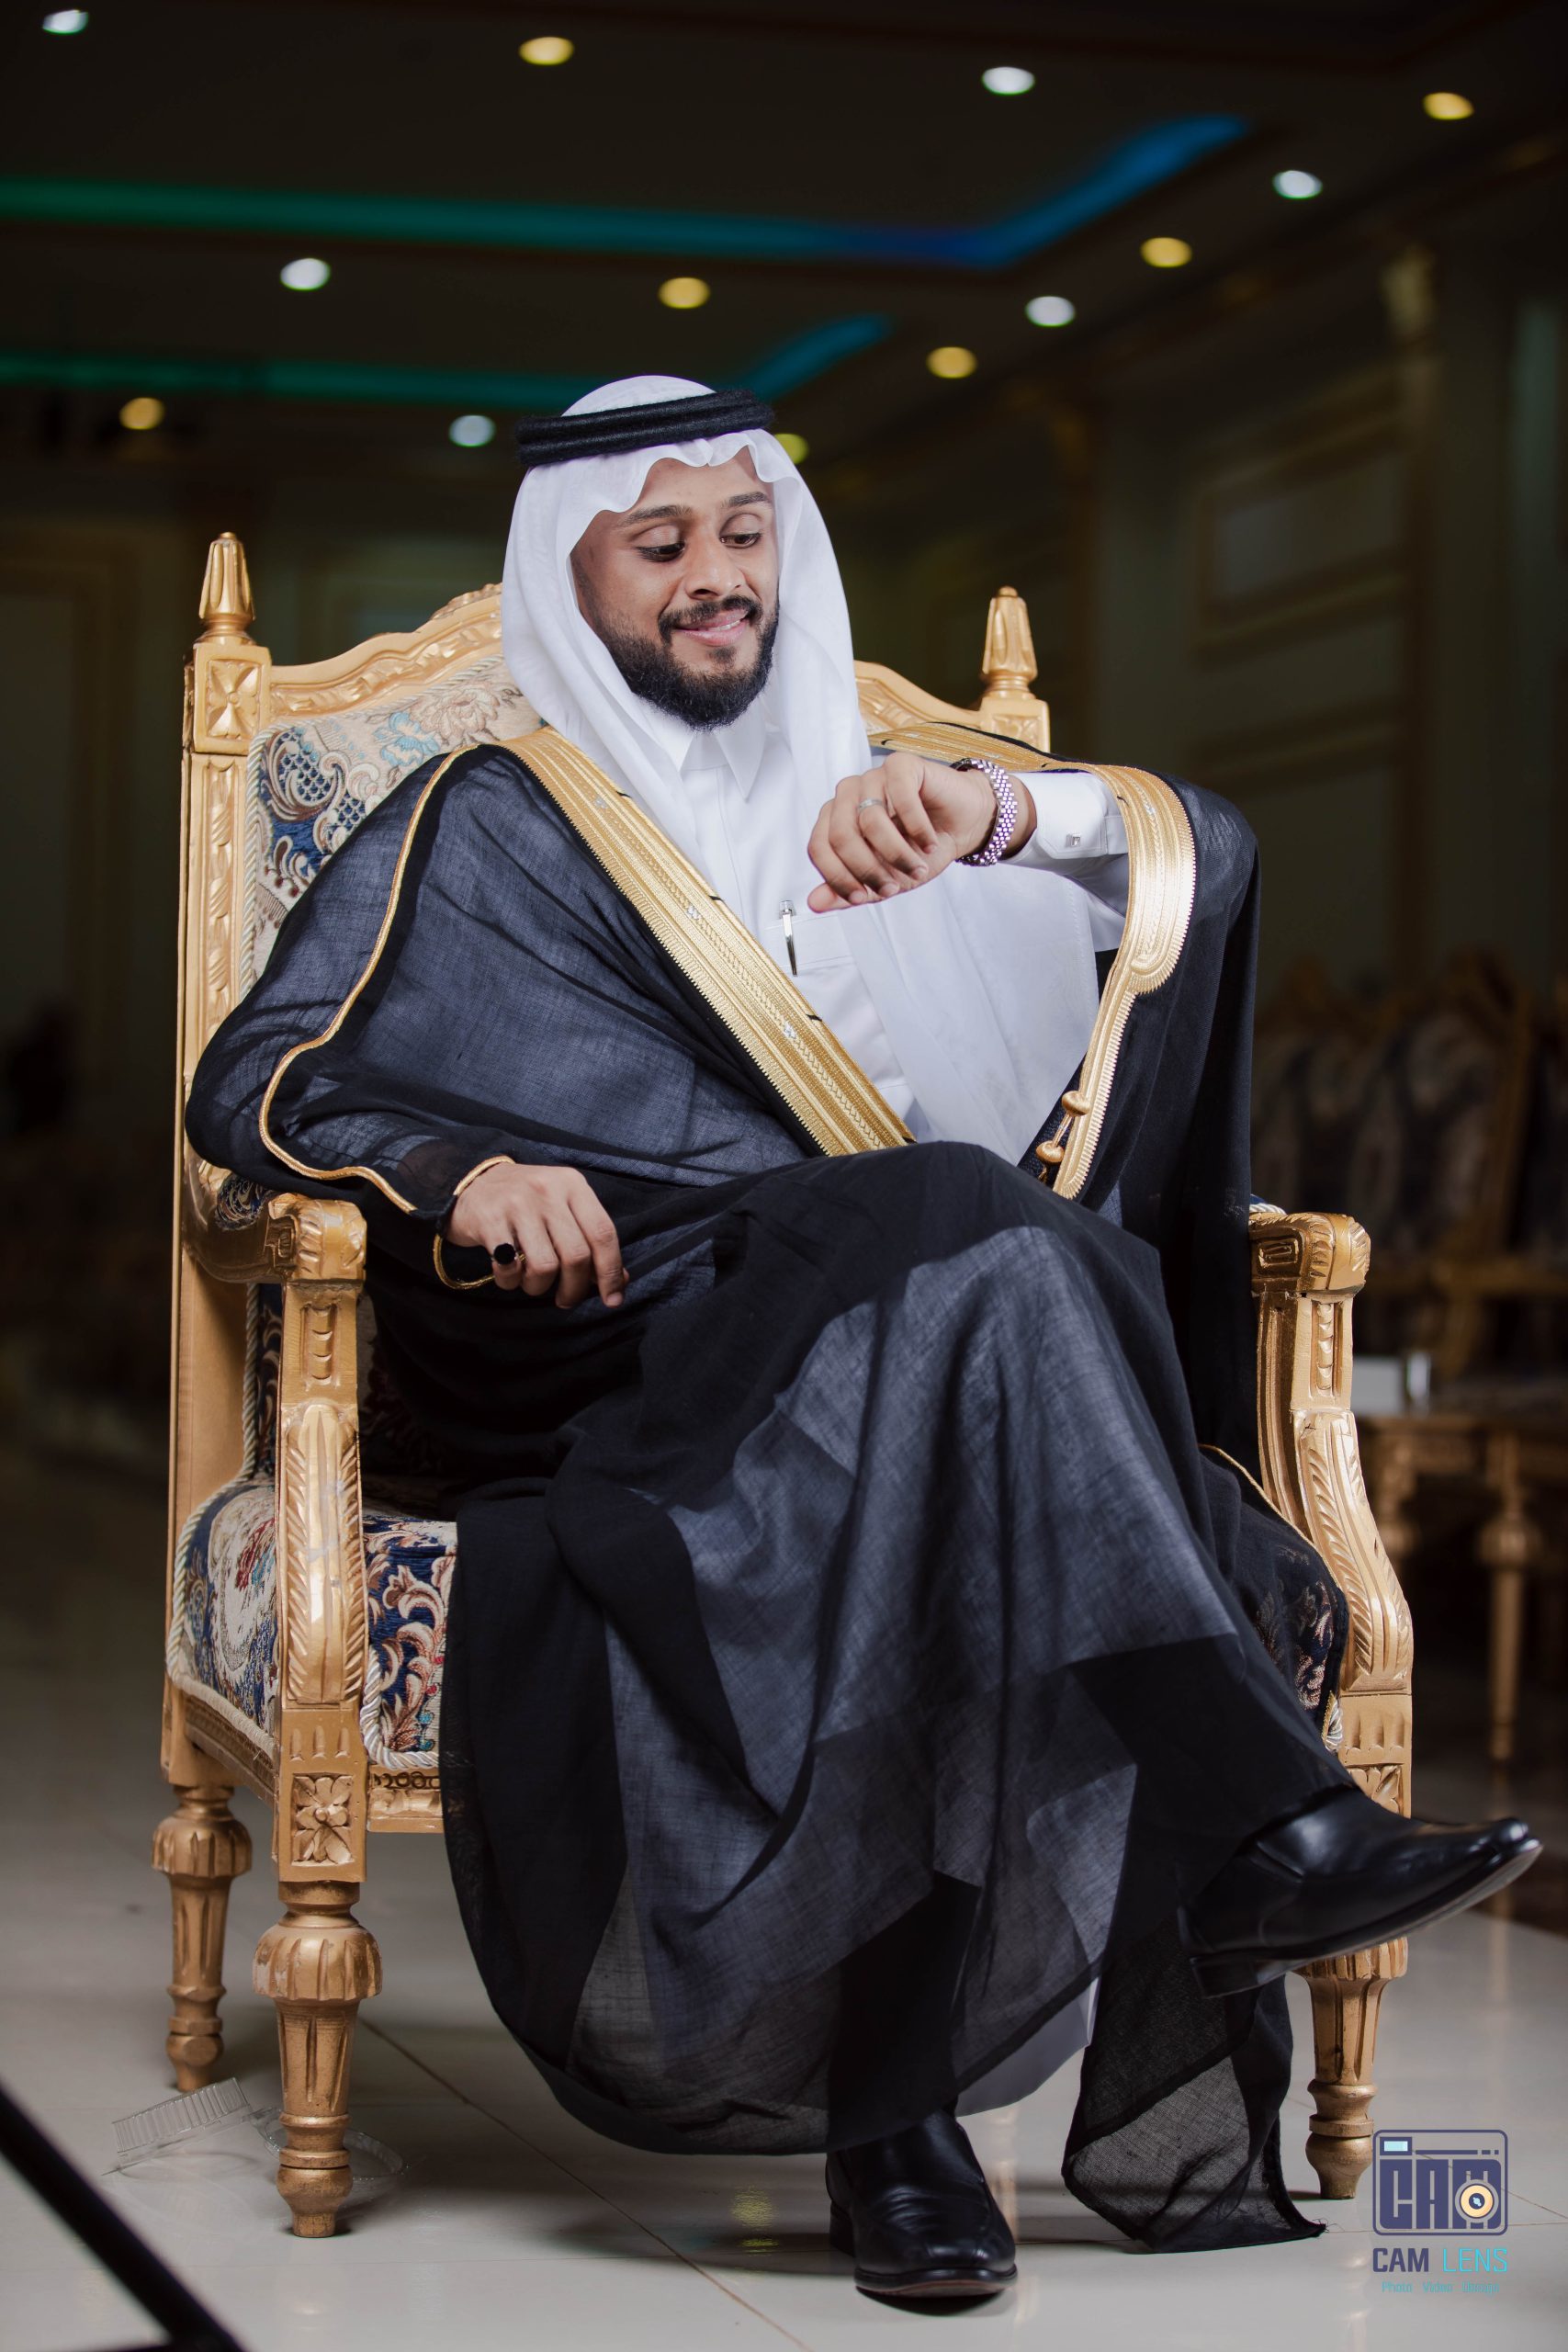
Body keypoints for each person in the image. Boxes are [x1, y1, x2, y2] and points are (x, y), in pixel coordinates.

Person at [187, 376, 1538, 2303]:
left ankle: (897, 2125)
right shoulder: (488, 816)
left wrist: (1006, 808)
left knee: (982, 1287)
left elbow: (1207, 867)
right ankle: (1261, 1828)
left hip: (914, 1341)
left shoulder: (892, 797)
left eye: (745, 534)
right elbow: (259, 1077)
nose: (714, 576)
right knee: (978, 1239)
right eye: (659, 543)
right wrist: (459, 1164)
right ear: (570, 574)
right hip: (627, 1362)